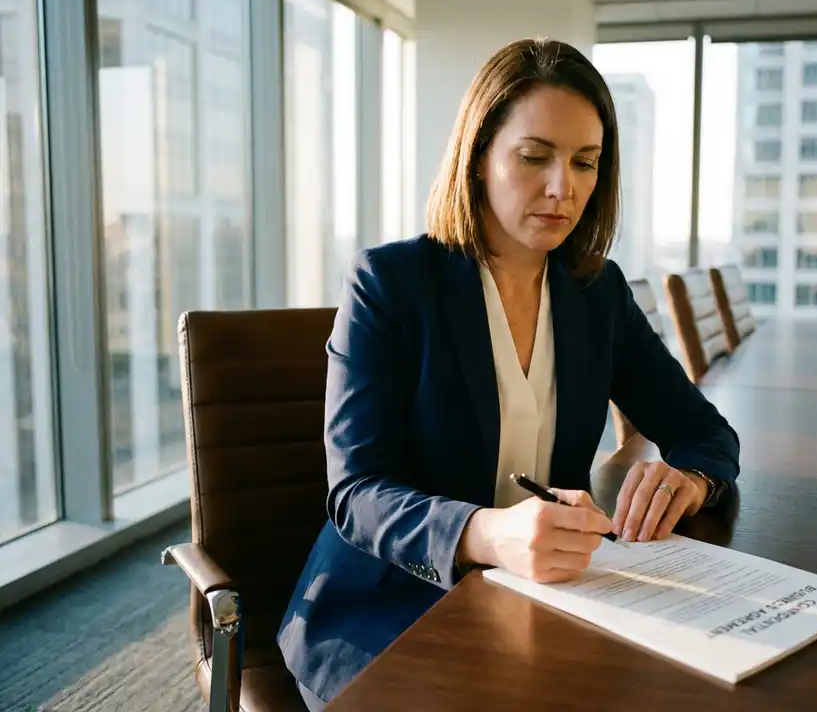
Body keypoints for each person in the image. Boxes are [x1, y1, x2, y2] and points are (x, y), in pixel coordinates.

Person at [277, 37, 740, 710]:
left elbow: (705, 432)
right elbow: (357, 493)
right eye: (534, 157)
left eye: (586, 162)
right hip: (388, 610)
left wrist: (690, 482)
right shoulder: (391, 283)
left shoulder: (595, 292)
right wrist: (488, 533)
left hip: (541, 601)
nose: (564, 188)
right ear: (479, 158)